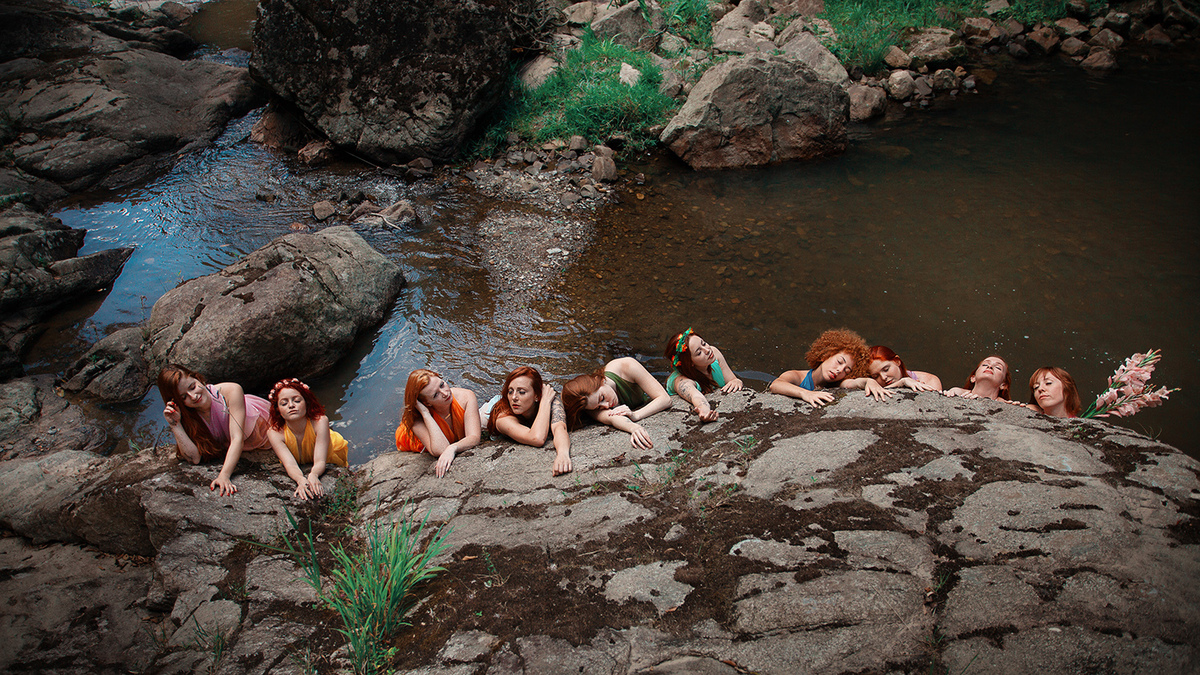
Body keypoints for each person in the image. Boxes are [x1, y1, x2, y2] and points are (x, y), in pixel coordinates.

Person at [158, 364, 273, 496]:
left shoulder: (231, 391)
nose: (193, 396)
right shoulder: (187, 414)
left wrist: (224, 475)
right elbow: (194, 458)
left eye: (192, 387)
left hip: (265, 429)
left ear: (198, 378)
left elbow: (237, 439)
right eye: (184, 397)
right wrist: (175, 424)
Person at [562, 357, 672, 449]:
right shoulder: (590, 404)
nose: (606, 406)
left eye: (602, 398)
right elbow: (613, 418)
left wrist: (636, 415)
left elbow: (665, 399)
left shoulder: (626, 366)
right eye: (599, 407)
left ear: (600, 380)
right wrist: (633, 428)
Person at [266, 378, 349, 500]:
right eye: (284, 403)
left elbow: (320, 460)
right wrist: (301, 480)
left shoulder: (320, 421)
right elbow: (290, 465)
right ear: (278, 410)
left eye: (297, 400)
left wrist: (314, 475)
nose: (291, 405)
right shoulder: (275, 433)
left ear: (306, 402)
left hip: (329, 449)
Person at [395, 369, 481, 477]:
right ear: (426, 403)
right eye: (435, 395)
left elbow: (474, 437)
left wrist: (453, 448)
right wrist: (425, 413)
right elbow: (441, 449)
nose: (445, 393)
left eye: (442, 384)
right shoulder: (415, 419)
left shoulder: (467, 397)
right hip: (411, 442)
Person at [487, 367, 572, 475]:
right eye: (510, 391)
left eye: (521, 392)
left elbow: (560, 427)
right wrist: (545, 402)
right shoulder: (502, 415)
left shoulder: (550, 400)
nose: (514, 397)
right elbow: (537, 438)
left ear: (536, 395)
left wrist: (563, 455)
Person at [769, 329, 874, 406]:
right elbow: (776, 385)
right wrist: (805, 393)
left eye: (846, 371)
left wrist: (868, 381)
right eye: (839, 361)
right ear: (826, 354)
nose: (840, 370)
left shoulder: (838, 383)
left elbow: (855, 383)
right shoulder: (798, 376)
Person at [663, 328, 743, 421]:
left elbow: (732, 380)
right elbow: (695, 396)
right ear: (690, 363)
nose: (707, 350)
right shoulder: (681, 381)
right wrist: (704, 410)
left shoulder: (714, 353)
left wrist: (737, 381)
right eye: (699, 352)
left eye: (703, 343)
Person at [866, 345, 943, 391]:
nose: (883, 377)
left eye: (886, 369)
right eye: (875, 376)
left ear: (897, 361)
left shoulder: (929, 380)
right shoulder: (870, 383)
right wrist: (901, 383)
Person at [944, 355, 1012, 400]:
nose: (990, 366)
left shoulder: (1005, 406)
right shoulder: (958, 393)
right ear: (973, 377)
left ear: (1003, 385)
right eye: (985, 365)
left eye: (998, 367)